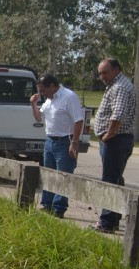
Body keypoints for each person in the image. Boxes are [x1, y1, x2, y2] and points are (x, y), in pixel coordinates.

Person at [91, 58, 136, 233]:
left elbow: (118, 115)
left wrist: (107, 135)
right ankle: (114, 218)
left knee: (110, 180)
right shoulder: (116, 85)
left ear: (117, 70)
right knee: (116, 179)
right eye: (100, 73)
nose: (102, 76)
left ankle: (107, 222)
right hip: (115, 140)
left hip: (116, 140)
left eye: (105, 72)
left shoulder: (120, 87)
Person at [30, 74, 85, 218]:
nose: (41, 93)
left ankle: (59, 208)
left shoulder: (69, 97)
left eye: (43, 90)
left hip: (65, 141)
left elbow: (79, 121)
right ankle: (47, 204)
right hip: (50, 141)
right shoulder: (49, 100)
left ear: (53, 86)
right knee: (48, 174)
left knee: (63, 176)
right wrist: (33, 105)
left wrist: (74, 142)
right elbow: (38, 117)